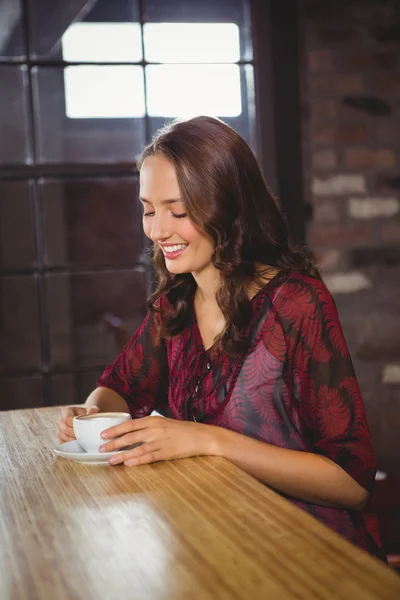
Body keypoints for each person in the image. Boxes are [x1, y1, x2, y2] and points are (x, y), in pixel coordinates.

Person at [57, 116, 385, 561]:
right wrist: (91, 416)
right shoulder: (176, 302)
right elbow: (120, 387)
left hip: (307, 555)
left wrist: (207, 439)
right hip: (213, 539)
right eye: (149, 210)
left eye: (178, 211)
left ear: (227, 206)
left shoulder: (297, 303)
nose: (156, 231)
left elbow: (353, 484)